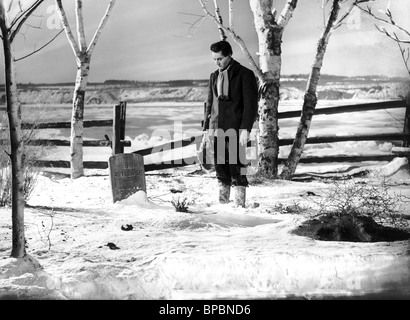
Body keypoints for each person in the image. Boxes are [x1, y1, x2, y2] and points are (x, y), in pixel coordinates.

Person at [202, 40, 258, 207]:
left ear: (229, 55)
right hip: (216, 128)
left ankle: (240, 205)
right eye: (214, 59)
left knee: (237, 166)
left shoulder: (244, 74)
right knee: (220, 167)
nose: (217, 62)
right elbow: (209, 104)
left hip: (236, 129)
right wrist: (206, 129)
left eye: (220, 59)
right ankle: (223, 204)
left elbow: (251, 105)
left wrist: (245, 129)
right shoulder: (214, 76)